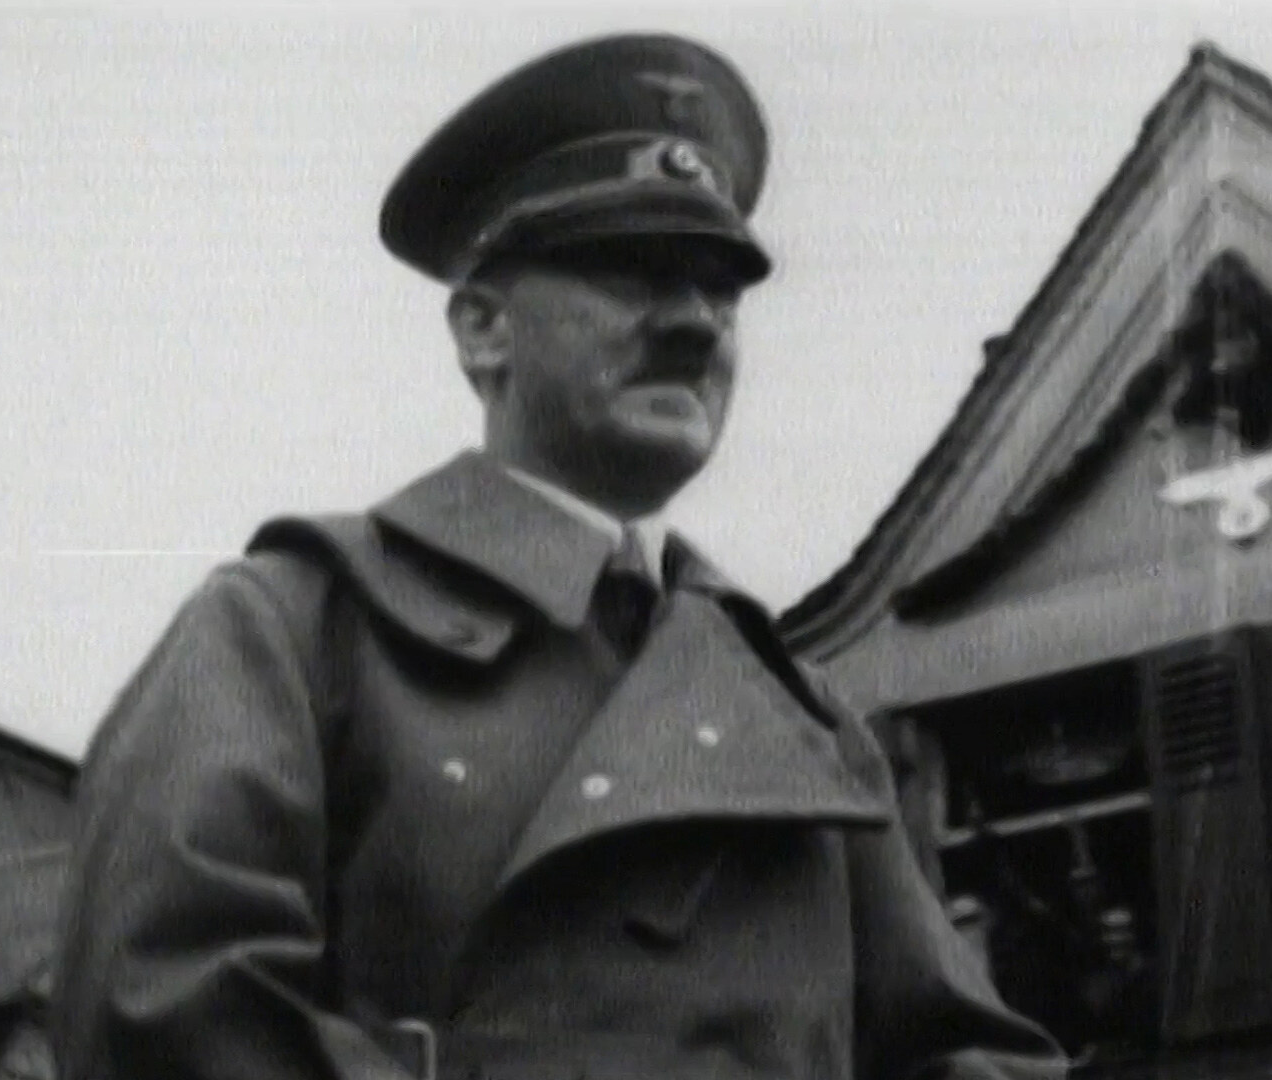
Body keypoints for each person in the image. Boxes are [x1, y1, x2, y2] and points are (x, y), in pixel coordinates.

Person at [52, 32, 1064, 1080]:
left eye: (720, 289)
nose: (695, 325)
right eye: (632, 271)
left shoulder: (805, 723)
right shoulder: (291, 633)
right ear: (483, 330)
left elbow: (972, 1056)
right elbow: (166, 1019)